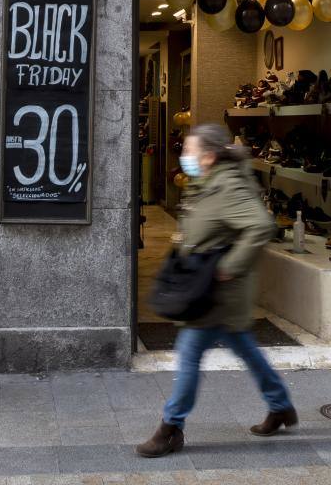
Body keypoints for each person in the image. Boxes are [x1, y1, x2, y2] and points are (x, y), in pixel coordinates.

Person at [136, 123, 297, 458]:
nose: (184, 156)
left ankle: (170, 428)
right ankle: (281, 406)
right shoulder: (205, 182)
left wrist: (230, 267)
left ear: (208, 156)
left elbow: (261, 225)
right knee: (247, 350)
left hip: (217, 294)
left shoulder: (229, 186)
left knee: (189, 355)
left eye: (190, 151)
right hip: (208, 289)